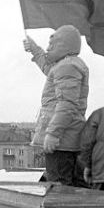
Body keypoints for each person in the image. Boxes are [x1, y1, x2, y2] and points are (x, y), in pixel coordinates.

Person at [24, 25, 89, 186]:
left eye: (51, 45)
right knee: (71, 186)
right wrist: (34, 50)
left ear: (64, 47)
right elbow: (49, 68)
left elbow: (66, 104)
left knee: (59, 188)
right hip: (67, 139)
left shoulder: (67, 67)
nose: (47, 49)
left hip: (61, 142)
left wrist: (53, 133)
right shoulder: (67, 65)